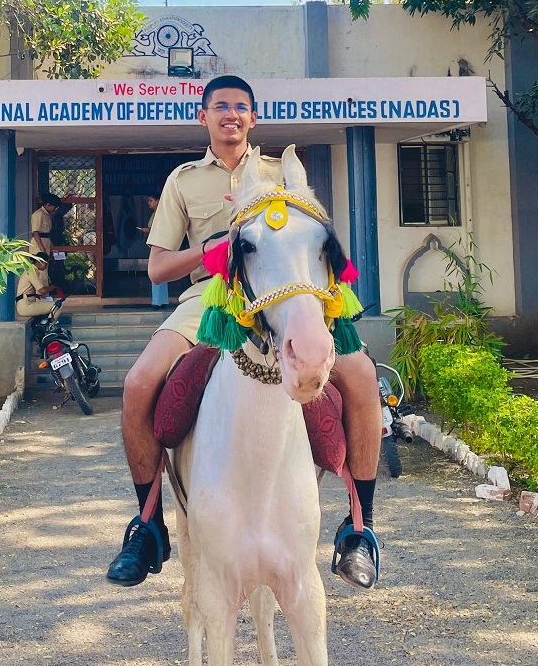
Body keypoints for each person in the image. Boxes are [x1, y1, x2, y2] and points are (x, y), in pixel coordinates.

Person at [105, 74, 385, 591]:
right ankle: (148, 527)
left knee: (363, 377)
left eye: (240, 107)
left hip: (283, 299)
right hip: (210, 300)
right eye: (220, 106)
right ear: (203, 116)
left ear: (253, 117)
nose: (230, 114)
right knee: (139, 383)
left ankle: (359, 530)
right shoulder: (183, 181)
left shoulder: (284, 174)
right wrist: (210, 250)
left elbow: (317, 244)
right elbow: (158, 268)